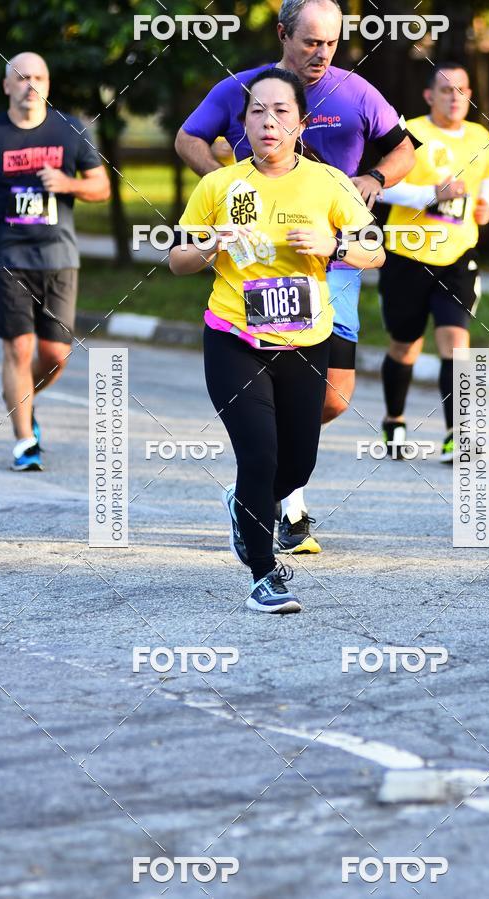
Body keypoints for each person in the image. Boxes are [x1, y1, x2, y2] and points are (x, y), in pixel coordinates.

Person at [175, 0, 416, 553]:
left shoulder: (357, 91)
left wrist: (374, 178)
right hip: (253, 269)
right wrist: (232, 185)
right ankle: (286, 509)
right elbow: (189, 139)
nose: (322, 53)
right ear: (284, 34)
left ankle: (271, 481)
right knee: (263, 437)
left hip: (331, 262)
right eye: (311, 42)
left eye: (331, 43)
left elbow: (403, 151)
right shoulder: (246, 87)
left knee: (331, 401)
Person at [170, 69, 383, 613]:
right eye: (257, 111)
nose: (269, 122)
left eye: (281, 112)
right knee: (260, 455)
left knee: (298, 466)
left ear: (302, 123)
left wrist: (334, 245)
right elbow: (176, 260)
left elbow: (374, 251)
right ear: (243, 123)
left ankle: (245, 506)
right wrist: (210, 245)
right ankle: (264, 576)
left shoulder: (329, 183)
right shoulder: (220, 186)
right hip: (234, 338)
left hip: (306, 342)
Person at [0, 52, 110, 471]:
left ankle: (21, 399)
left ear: (48, 83)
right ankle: (25, 443)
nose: (29, 84)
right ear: (7, 85)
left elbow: (101, 187)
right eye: (21, 77)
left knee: (56, 354)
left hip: (58, 256)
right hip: (7, 256)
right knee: (18, 349)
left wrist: (67, 183)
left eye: (38, 76)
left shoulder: (69, 130)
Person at [377, 62, 489, 463]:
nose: (454, 97)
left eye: (461, 90)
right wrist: (432, 193)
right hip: (407, 255)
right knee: (405, 347)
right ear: (430, 95)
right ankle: (394, 420)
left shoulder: (480, 136)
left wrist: (487, 204)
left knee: (456, 342)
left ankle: (457, 436)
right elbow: (381, 188)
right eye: (446, 90)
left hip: (457, 256)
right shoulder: (410, 132)